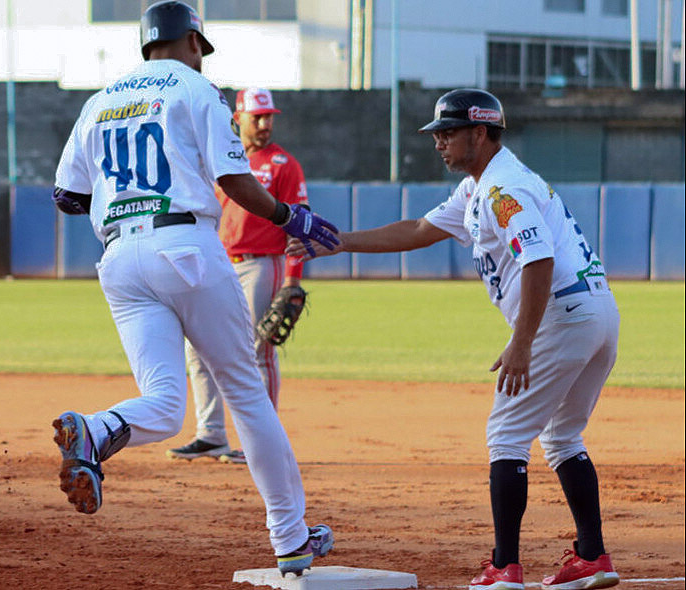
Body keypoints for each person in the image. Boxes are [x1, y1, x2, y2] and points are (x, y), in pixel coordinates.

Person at [288, 89, 620, 590]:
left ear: (481, 133)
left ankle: (504, 567)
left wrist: (522, 341)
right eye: (437, 134)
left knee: (506, 435)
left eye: (448, 133)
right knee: (561, 435)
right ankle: (592, 558)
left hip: (561, 313)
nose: (438, 142)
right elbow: (421, 228)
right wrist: (341, 242)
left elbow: (538, 258)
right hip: (596, 313)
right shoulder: (478, 187)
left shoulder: (502, 190)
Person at [50, 1, 337, 577]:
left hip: (120, 261)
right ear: (189, 43)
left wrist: (125, 195)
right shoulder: (196, 89)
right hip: (186, 246)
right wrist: (291, 218)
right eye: (199, 49)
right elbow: (234, 179)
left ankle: (98, 428)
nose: (200, 58)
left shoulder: (99, 100)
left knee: (163, 401)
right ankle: (290, 537)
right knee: (247, 395)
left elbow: (67, 196)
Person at [166, 87, 309, 465]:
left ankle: (264, 442)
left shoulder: (282, 164)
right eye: (257, 117)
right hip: (216, 263)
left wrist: (293, 279)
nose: (265, 124)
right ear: (237, 120)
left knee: (257, 349)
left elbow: (298, 222)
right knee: (196, 347)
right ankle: (211, 434)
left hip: (262, 264)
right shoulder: (216, 160)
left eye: (269, 117)